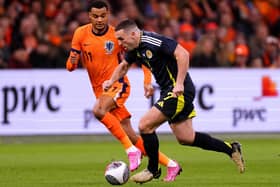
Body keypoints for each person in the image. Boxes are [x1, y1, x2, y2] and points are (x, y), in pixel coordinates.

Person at [103, 19, 245, 184]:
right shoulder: (135, 48)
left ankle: (153, 169)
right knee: (186, 137)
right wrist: (111, 80)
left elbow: (183, 54)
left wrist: (178, 83)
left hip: (179, 91)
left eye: (121, 39)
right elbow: (124, 65)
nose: (120, 43)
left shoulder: (153, 41)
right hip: (168, 91)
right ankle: (231, 148)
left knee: (144, 125)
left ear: (134, 34)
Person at [66, 0, 181, 181]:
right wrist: (72, 61)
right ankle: (171, 164)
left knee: (98, 110)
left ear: (108, 14)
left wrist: (147, 81)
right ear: (89, 16)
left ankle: (130, 151)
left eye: (103, 16)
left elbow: (141, 57)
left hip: (118, 85)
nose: (99, 19)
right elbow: (70, 66)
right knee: (132, 134)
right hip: (100, 91)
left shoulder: (116, 35)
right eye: (95, 16)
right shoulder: (80, 33)